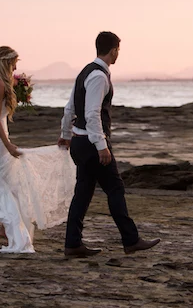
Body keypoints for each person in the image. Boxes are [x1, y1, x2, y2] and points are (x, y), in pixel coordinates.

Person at [58, 32, 160, 257]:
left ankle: (73, 244)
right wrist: (101, 145)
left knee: (83, 193)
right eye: (118, 50)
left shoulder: (84, 72)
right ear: (114, 50)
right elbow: (92, 113)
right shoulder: (98, 76)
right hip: (91, 144)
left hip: (79, 141)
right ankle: (131, 240)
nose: (118, 54)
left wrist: (66, 133)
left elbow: (69, 108)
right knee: (115, 189)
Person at [0, 46, 75, 253]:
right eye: (14, 62)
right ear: (5, 62)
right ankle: (4, 229)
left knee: (0, 183)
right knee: (5, 184)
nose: (16, 66)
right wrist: (8, 145)